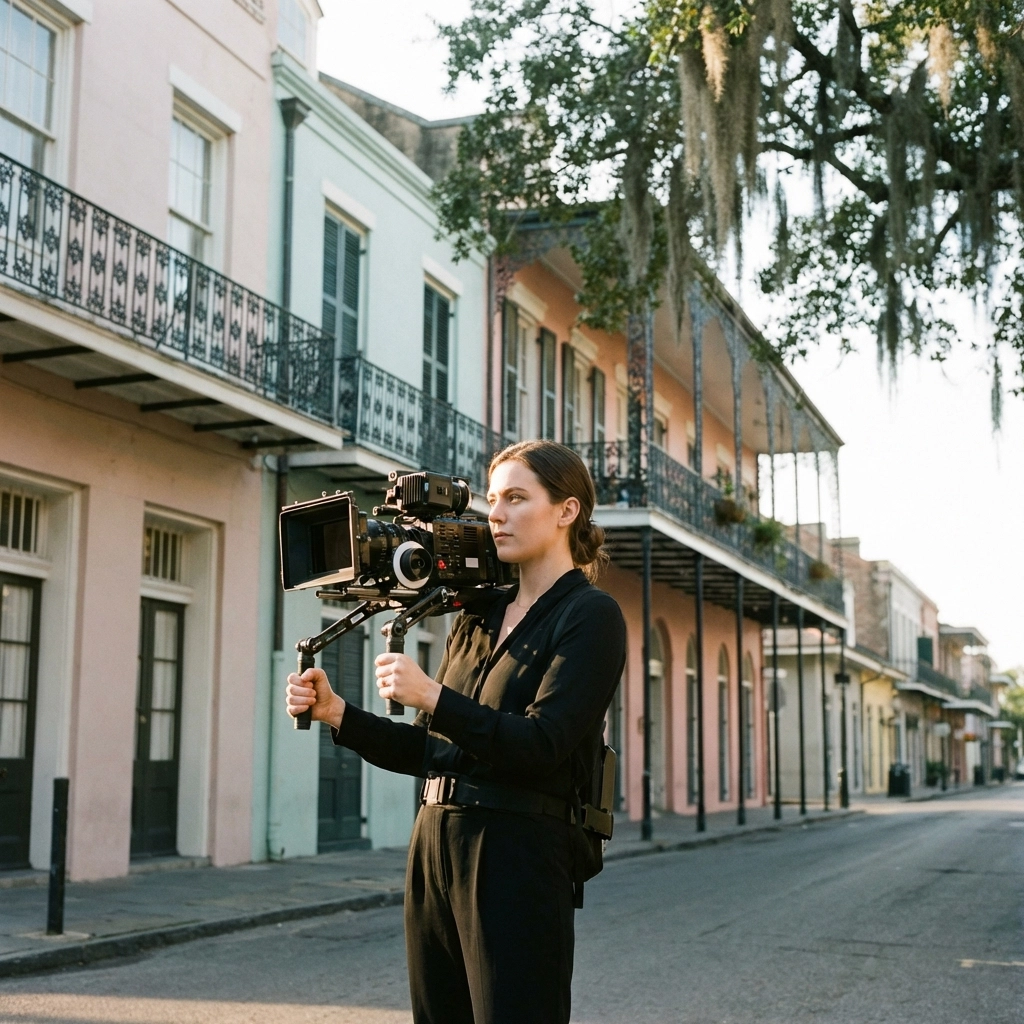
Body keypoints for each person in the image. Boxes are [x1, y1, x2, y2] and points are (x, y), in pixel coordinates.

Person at [285, 440, 627, 1024]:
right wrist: (339, 714)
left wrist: (433, 696)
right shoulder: (476, 615)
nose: (496, 514)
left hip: (518, 850)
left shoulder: (591, 616)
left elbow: (542, 744)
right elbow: (427, 748)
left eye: (517, 498)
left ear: (567, 511)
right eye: (493, 499)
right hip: (435, 842)